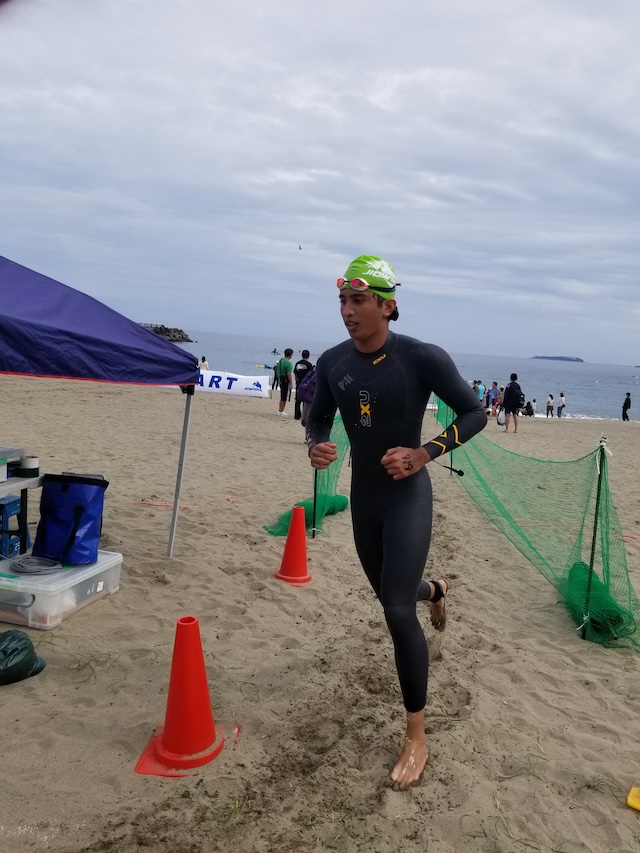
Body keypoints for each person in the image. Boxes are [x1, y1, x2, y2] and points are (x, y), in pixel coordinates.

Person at [306, 255, 486, 791]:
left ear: (387, 305)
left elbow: (475, 413)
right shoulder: (333, 361)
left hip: (408, 494)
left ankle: (416, 735)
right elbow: (317, 417)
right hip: (366, 497)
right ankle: (437, 589)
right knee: (395, 592)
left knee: (394, 608)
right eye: (342, 300)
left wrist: (423, 454)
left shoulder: (421, 357)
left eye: (359, 300)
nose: (347, 311)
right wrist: (315, 444)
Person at [293, 350, 313, 420]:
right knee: (305, 400)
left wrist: (296, 381)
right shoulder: (309, 365)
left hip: (299, 383)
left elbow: (295, 373)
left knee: (297, 400)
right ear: (308, 356)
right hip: (306, 384)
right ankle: (304, 415)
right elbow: (311, 375)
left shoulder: (297, 363)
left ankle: (297, 415)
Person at [275, 349, 294, 416]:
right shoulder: (288, 363)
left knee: (282, 395)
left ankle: (280, 410)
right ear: (290, 355)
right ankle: (281, 411)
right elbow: (289, 374)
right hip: (285, 381)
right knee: (284, 396)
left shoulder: (280, 361)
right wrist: (291, 383)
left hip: (280, 380)